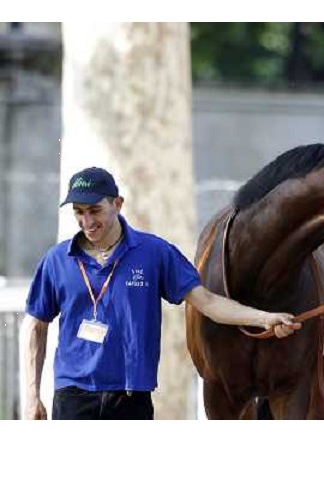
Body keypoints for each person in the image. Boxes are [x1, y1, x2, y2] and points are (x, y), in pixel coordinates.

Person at [23, 167, 300, 420]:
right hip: (73, 396)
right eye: (79, 212)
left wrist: (265, 319)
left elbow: (208, 302)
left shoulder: (154, 253)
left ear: (117, 204)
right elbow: (35, 325)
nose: (86, 221)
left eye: (94, 210)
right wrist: (33, 396)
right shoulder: (56, 260)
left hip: (131, 398)